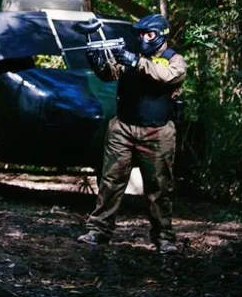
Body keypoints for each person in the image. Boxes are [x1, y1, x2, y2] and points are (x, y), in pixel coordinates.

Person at [77, 14, 187, 254]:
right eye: (141, 34)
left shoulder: (174, 60)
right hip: (123, 128)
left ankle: (164, 238)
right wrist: (97, 61)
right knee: (110, 181)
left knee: (159, 187)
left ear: (161, 35)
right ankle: (98, 230)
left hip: (157, 131)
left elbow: (166, 76)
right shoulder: (131, 56)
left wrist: (135, 61)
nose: (144, 39)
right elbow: (109, 74)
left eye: (149, 34)